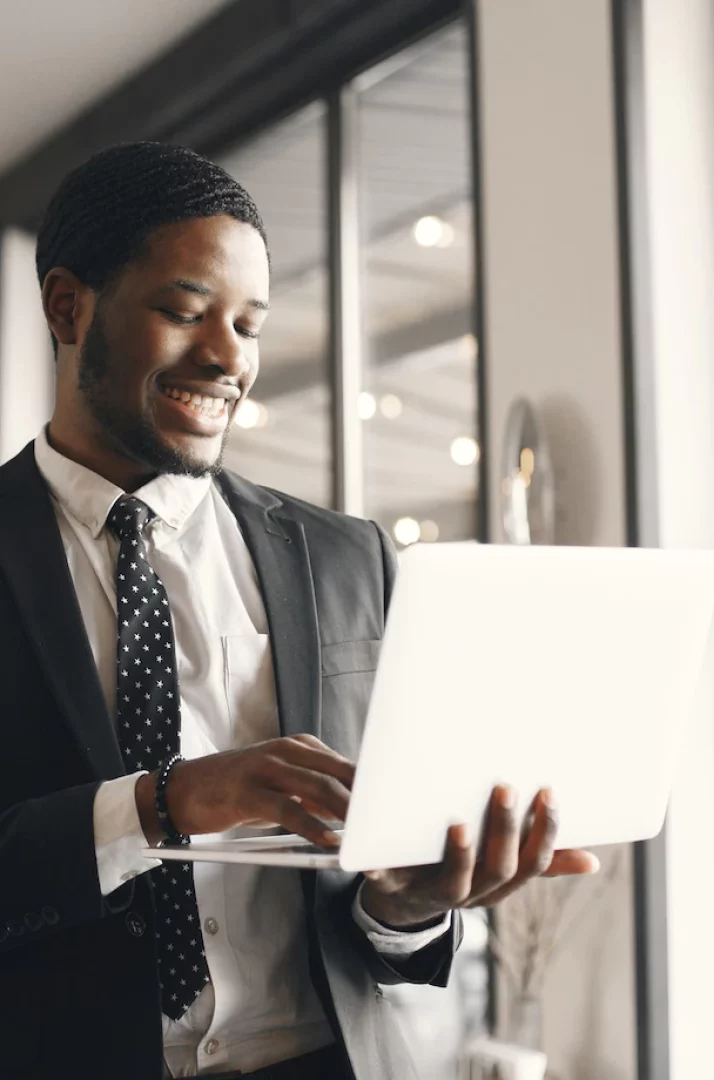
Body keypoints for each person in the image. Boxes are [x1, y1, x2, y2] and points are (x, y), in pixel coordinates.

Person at [0, 143, 598, 1080]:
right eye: (184, 311)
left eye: (249, 324)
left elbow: (374, 907)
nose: (228, 358)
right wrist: (167, 803)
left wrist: (408, 906)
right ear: (67, 306)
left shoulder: (349, 557)